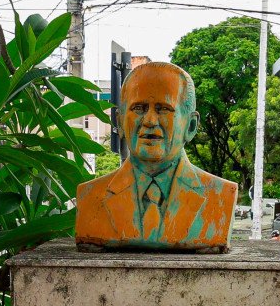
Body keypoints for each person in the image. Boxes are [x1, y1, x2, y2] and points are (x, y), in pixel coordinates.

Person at [75, 61, 235, 252]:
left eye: (163, 109)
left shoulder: (220, 196)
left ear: (191, 126)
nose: (150, 120)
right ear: (120, 121)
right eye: (139, 108)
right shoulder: (92, 197)